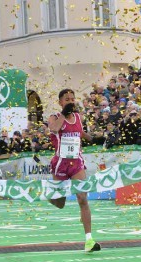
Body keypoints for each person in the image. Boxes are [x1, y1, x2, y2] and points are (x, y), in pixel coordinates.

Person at [48, 89, 101, 253]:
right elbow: (55, 129)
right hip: (60, 164)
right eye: (67, 99)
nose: (70, 101)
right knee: (60, 203)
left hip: (76, 163)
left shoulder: (78, 117)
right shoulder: (55, 117)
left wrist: (94, 138)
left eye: (72, 99)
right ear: (60, 102)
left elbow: (80, 132)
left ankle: (89, 240)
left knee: (82, 198)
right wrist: (63, 114)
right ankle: (51, 196)